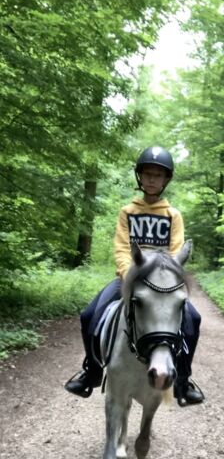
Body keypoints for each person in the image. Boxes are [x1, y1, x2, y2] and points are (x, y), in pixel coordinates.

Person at [65, 146, 205, 406]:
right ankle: (92, 372)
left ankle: (184, 380)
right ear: (140, 177)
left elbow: (176, 251)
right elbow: (120, 247)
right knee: (88, 315)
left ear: (166, 180)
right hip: (129, 280)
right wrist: (129, 274)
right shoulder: (127, 212)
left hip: (162, 285)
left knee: (192, 320)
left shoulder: (172, 215)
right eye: (148, 174)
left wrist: (167, 277)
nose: (152, 179)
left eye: (158, 175)